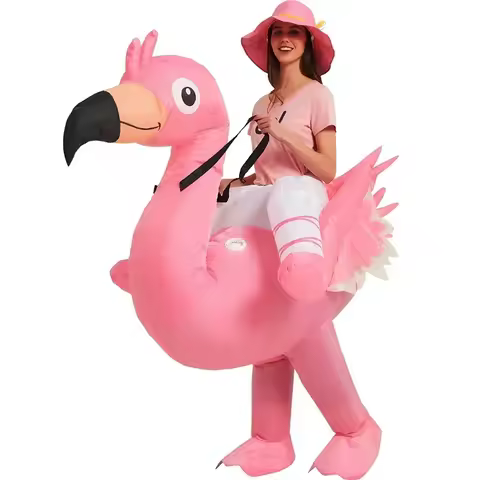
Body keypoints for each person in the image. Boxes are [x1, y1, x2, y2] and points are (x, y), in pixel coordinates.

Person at [219, 0, 337, 302]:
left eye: (294, 32)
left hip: (300, 200)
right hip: (265, 197)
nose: (284, 39)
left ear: (307, 41)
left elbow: (327, 170)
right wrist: (231, 184)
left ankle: (305, 272)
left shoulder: (318, 95)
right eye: (278, 32)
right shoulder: (262, 104)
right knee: (205, 203)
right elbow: (267, 173)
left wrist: (283, 133)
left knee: (288, 192)